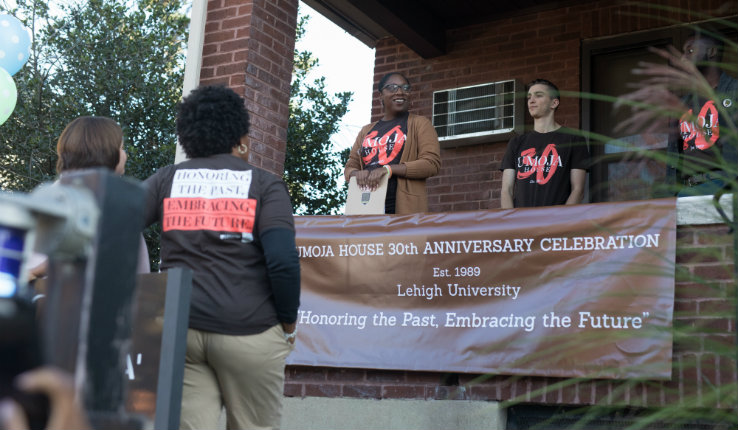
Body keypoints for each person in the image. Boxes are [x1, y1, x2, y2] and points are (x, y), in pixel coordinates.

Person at [143, 85, 300, 430]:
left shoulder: (165, 180)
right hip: (250, 329)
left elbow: (114, 228)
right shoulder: (265, 185)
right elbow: (283, 260)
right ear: (239, 134)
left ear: (186, 133)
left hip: (179, 328)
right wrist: (287, 323)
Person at [616, 29, 738, 197]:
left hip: (725, 187)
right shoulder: (682, 104)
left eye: (690, 50)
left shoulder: (734, 92)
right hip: (687, 190)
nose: (683, 58)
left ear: (711, 51)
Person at [28, 116, 150, 281]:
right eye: (121, 148)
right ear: (105, 153)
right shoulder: (114, 205)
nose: (125, 155)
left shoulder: (46, 197)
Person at [344, 72, 441, 214]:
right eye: (392, 87)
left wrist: (388, 170)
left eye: (405, 88)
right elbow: (350, 167)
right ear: (380, 96)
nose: (400, 92)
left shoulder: (420, 124)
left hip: (402, 208)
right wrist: (356, 173)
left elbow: (431, 164)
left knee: (401, 238)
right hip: (366, 205)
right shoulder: (366, 131)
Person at [500, 79, 589, 208]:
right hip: (521, 224)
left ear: (554, 103)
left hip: (556, 223)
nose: (531, 100)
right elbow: (506, 190)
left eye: (539, 95)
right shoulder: (516, 143)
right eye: (529, 97)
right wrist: (512, 225)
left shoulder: (574, 139)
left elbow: (578, 190)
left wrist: (558, 225)